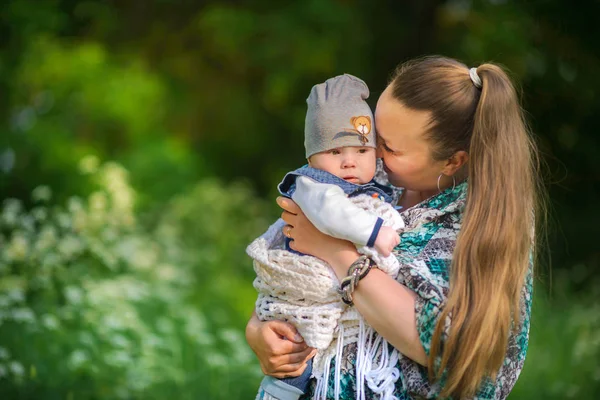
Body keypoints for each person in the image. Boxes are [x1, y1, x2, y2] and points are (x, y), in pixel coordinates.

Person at [246, 56, 543, 399]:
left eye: (391, 148)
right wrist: (258, 330)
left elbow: (442, 343)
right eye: (374, 137)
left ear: (453, 161)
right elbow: (290, 265)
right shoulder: (369, 180)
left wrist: (336, 252)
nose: (372, 153)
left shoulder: (481, 222)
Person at [248, 74, 405, 400]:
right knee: (297, 349)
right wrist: (377, 233)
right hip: (303, 282)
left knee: (306, 353)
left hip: (340, 292)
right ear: (311, 160)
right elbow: (334, 214)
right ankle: (275, 394)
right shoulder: (314, 186)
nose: (349, 161)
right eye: (335, 151)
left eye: (361, 149)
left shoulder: (373, 186)